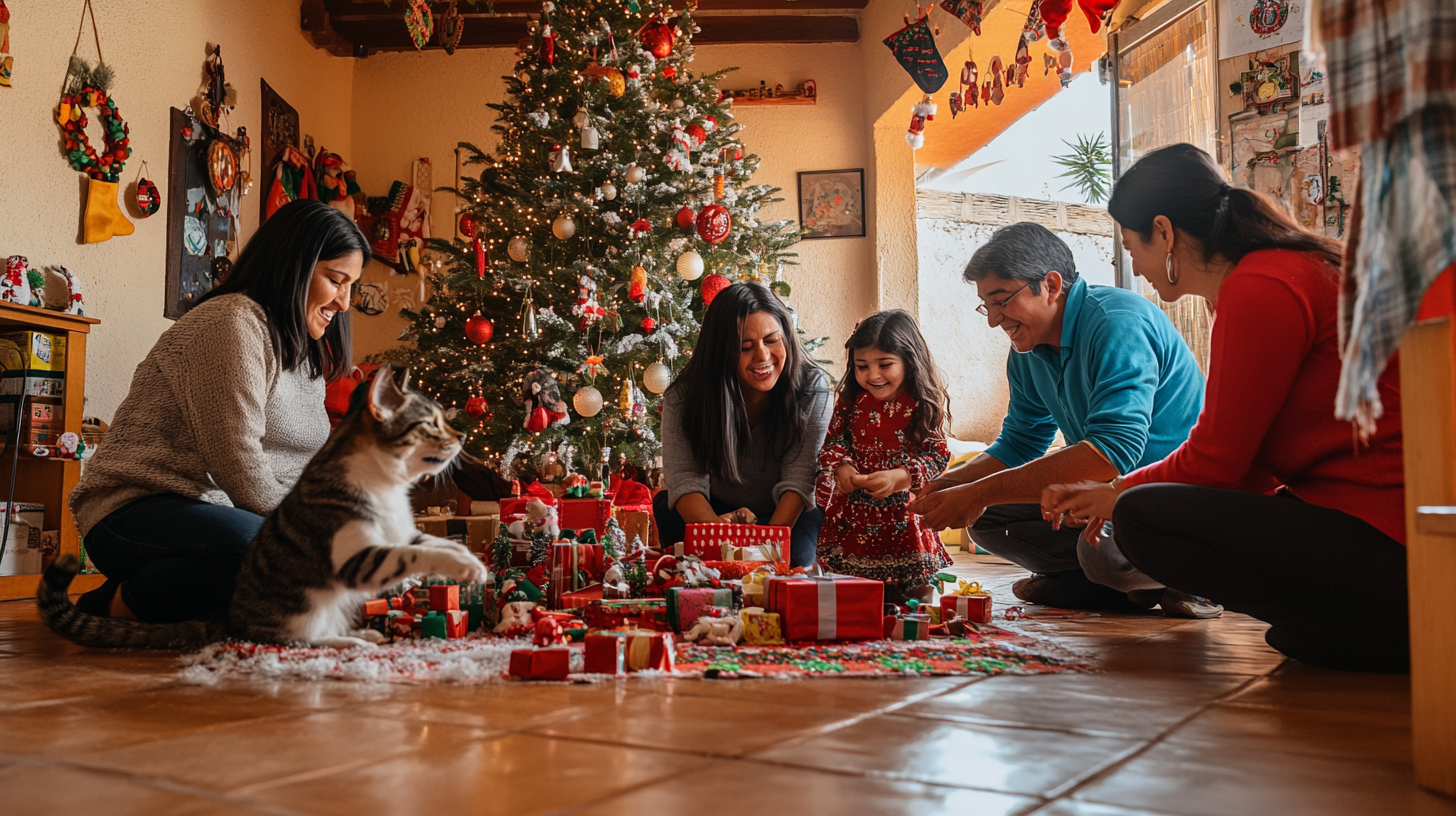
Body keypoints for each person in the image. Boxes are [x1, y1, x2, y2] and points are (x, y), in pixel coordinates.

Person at [1041, 143, 1407, 672]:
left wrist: (1117, 493)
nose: (1137, 266)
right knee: (1131, 513)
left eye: (1132, 245)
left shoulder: (1262, 284)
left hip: (1389, 531)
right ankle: (1343, 626)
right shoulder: (1276, 274)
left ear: (1164, 232)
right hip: (1360, 519)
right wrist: (1109, 495)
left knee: (1144, 518)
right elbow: (1251, 467)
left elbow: (1216, 459)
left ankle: (1371, 626)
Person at [70, 200, 368, 623]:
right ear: (295, 266)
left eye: (351, 285)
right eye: (337, 280)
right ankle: (109, 607)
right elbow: (240, 467)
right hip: (135, 510)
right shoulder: (230, 323)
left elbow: (299, 468)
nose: (344, 302)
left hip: (222, 514)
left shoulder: (304, 352)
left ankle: (145, 594)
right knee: (274, 554)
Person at [910, 221, 1218, 618]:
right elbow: (1020, 443)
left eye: (1001, 300)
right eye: (987, 305)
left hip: (1169, 500)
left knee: (1102, 556)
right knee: (988, 521)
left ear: (1051, 285)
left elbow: (1112, 453)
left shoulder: (1117, 323)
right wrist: (953, 483)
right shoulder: (1026, 350)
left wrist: (977, 493)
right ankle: (1119, 586)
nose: (993, 319)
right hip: (1105, 495)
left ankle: (1189, 579)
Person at [654, 282, 833, 567]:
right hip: (716, 511)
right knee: (676, 527)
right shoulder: (684, 396)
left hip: (786, 510)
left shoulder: (813, 389)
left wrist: (767, 551)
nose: (763, 357)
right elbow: (686, 480)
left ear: (787, 336)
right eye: (745, 347)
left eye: (772, 340)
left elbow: (800, 480)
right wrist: (722, 547)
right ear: (720, 352)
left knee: (794, 559)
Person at [816, 310, 953, 603]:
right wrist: (842, 467)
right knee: (852, 592)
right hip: (854, 512)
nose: (872, 375)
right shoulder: (851, 401)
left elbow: (937, 456)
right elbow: (832, 443)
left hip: (905, 514)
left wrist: (901, 476)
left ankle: (916, 608)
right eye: (861, 366)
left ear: (910, 360)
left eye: (885, 364)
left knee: (917, 592)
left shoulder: (921, 403)